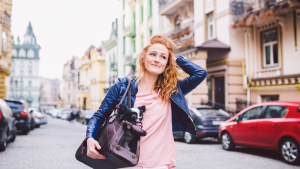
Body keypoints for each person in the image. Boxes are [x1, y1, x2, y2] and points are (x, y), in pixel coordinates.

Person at [85, 35, 207, 169]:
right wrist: (90, 137)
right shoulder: (122, 87)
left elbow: (200, 73)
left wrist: (175, 59)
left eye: (163, 57)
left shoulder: (171, 91)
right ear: (144, 58)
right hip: (126, 160)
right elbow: (100, 115)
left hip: (159, 164)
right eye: (153, 54)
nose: (157, 59)